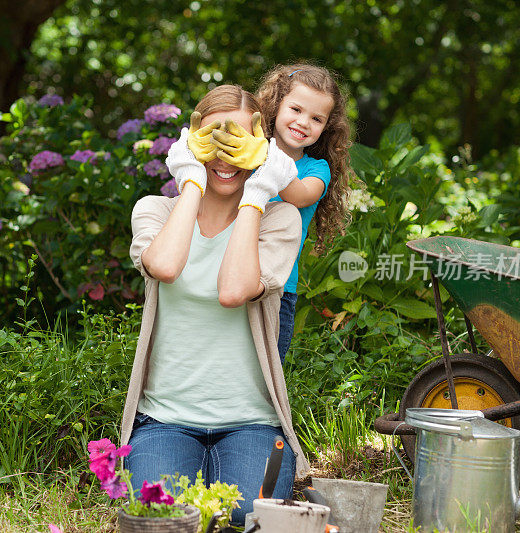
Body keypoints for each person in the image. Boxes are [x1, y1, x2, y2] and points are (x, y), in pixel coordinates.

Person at [120, 84, 310, 525]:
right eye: (212, 140)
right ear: (189, 143)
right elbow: (165, 266)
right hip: (165, 420)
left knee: (246, 517)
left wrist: (258, 192)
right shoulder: (155, 211)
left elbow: (233, 290)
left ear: (263, 148)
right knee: (161, 517)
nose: (225, 155)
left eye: (240, 140)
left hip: (252, 422)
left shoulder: (279, 220)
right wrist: (191, 179)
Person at [215, 63, 353, 362]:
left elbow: (301, 196)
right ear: (276, 106)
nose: (304, 122)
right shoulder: (248, 153)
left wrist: (265, 155)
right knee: (221, 360)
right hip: (225, 271)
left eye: (316, 118)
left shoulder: (315, 170)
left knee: (263, 369)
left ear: (326, 126)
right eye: (296, 109)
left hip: (277, 287)